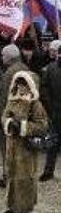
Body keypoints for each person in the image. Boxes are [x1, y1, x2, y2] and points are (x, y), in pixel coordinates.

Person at [1, 71, 49, 213]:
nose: (22, 87)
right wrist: (9, 123)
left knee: (25, 180)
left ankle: (24, 208)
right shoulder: (12, 99)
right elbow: (4, 116)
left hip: (26, 151)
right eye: (20, 83)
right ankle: (13, 206)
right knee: (12, 177)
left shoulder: (35, 104)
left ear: (31, 85)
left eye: (25, 84)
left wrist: (22, 126)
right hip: (11, 147)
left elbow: (42, 126)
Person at [0, 44, 34, 188]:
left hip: (10, 118)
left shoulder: (10, 73)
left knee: (8, 150)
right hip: (21, 117)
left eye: (3, 55)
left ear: (9, 57)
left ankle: (9, 178)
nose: (2, 58)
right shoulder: (25, 69)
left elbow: (4, 98)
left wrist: (0, 119)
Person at [39, 39, 61, 181]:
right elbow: (44, 87)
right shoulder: (51, 68)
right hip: (55, 110)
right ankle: (48, 170)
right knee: (52, 142)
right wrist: (50, 103)